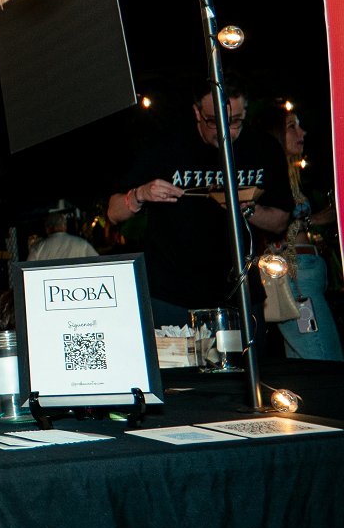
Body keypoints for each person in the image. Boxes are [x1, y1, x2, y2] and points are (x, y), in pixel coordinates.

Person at [107, 77, 290, 327]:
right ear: (197, 112)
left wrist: (246, 210)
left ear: (245, 111)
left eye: (235, 120)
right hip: (172, 296)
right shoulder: (166, 145)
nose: (226, 131)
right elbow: (113, 212)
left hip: (239, 292)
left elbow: (280, 221)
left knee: (247, 353)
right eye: (214, 121)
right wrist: (140, 194)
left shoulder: (263, 148)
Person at [263, 104, 342, 360]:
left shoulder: (290, 175)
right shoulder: (270, 178)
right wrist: (314, 220)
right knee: (323, 359)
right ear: (275, 134)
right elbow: (275, 224)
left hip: (306, 273)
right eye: (291, 127)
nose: (302, 132)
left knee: (309, 362)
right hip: (296, 278)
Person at [28, 205, 98, 261]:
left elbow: (29, 269)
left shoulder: (38, 247)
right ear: (64, 226)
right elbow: (98, 262)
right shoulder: (82, 244)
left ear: (47, 228)